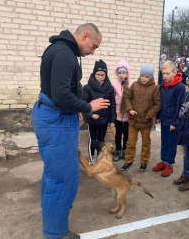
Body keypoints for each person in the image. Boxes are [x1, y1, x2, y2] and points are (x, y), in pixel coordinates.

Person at [32, 23, 110, 239]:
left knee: (60, 175)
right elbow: (60, 94)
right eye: (93, 46)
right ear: (85, 36)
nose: (93, 52)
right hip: (55, 120)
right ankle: (55, 232)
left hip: (58, 116)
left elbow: (62, 91)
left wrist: (75, 107)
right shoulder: (65, 54)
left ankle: (54, 212)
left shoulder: (63, 51)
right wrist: (87, 107)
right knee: (62, 178)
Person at [121, 64, 161, 172]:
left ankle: (144, 162)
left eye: (147, 76)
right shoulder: (134, 85)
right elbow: (127, 98)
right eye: (142, 75)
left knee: (146, 143)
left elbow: (158, 104)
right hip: (133, 120)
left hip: (146, 121)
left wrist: (149, 115)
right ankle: (129, 160)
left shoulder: (155, 88)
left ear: (151, 77)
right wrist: (129, 109)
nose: (144, 78)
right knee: (131, 142)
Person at [153, 60, 185, 177]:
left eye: (167, 73)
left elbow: (179, 106)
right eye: (163, 73)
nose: (165, 76)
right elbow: (160, 102)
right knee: (164, 141)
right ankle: (163, 161)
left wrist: (175, 122)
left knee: (171, 143)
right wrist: (158, 116)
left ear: (175, 73)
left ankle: (169, 164)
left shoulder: (179, 87)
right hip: (164, 119)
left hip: (172, 121)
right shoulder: (162, 85)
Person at [83, 60, 116, 158]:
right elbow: (84, 104)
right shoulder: (87, 88)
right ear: (94, 74)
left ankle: (99, 158)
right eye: (98, 74)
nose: (100, 77)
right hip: (93, 119)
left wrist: (112, 120)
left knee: (101, 141)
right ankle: (91, 158)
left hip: (104, 119)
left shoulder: (110, 88)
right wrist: (91, 114)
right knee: (92, 140)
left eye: (103, 75)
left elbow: (112, 104)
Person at [112, 61, 133, 161]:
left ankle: (125, 150)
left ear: (127, 73)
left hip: (128, 115)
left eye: (123, 73)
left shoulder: (131, 84)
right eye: (119, 73)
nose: (121, 75)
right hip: (118, 114)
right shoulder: (114, 84)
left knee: (127, 134)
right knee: (118, 133)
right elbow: (112, 99)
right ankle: (118, 150)